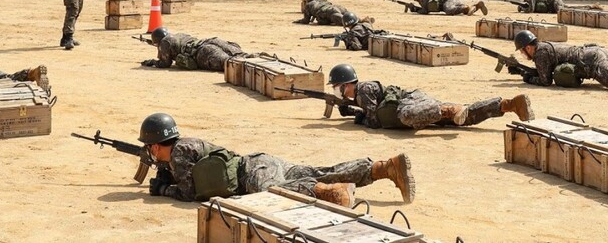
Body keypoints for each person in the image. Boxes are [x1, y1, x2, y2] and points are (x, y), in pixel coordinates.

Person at [137, 112, 415, 205]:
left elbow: (188, 194)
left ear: (157, 145)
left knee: (272, 193)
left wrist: (164, 188)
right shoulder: (185, 146)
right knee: (321, 171)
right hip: (260, 161)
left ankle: (328, 194)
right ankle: (384, 168)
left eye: (149, 147)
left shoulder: (179, 153)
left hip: (253, 172)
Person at [327, 64, 533, 131]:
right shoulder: (360, 95)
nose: (337, 92)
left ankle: (449, 110)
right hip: (419, 109)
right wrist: (353, 109)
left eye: (337, 88)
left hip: (412, 103)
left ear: (346, 84)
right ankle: (509, 105)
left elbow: (374, 121)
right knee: (463, 118)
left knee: (407, 115)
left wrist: (357, 116)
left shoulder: (363, 89)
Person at [140, 27, 252, 70]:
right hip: (209, 41)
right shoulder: (178, 35)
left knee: (231, 64)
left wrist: (152, 62)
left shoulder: (165, 42)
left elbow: (165, 63)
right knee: (243, 55)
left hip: (203, 53)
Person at [298, 0, 368, 26]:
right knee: (348, 14)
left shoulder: (309, 5)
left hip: (327, 12)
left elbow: (306, 21)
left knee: (344, 21)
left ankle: (359, 23)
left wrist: (298, 21)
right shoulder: (322, 1)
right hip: (336, 7)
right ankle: (360, 19)